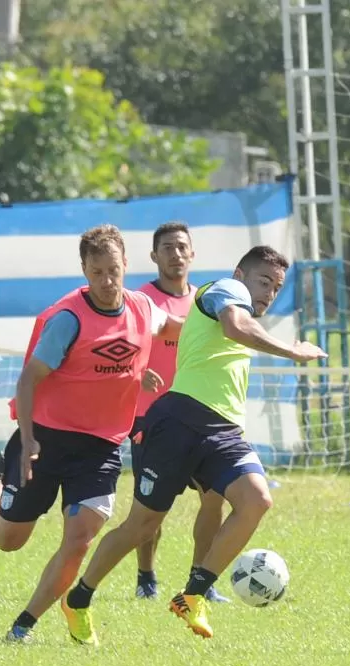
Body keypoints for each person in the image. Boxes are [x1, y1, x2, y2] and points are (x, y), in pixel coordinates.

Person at [61, 245, 327, 644]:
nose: (269, 293)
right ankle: (78, 598)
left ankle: (193, 594)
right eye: (263, 281)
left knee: (256, 500)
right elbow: (236, 326)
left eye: (276, 287)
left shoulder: (245, 311)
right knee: (142, 526)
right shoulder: (223, 290)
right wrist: (292, 350)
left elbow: (241, 332)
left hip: (223, 431)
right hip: (178, 421)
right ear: (240, 274)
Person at [0, 224, 183, 644]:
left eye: (114, 271)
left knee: (80, 539)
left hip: (101, 446)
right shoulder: (69, 321)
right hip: (46, 440)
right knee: (9, 540)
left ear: (126, 264)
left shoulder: (143, 307)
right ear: (85, 272)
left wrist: (224, 321)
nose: (107, 282)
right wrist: (29, 438)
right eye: (97, 273)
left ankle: (24, 625)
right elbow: (29, 380)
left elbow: (171, 328)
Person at [130, 221, 229, 605]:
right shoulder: (141, 300)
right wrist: (139, 374)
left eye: (182, 247)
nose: (176, 254)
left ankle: (200, 580)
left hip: (201, 416)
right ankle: (146, 575)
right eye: (167, 248)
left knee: (214, 497)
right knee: (151, 509)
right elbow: (127, 346)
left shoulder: (206, 301)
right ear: (155, 256)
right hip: (152, 418)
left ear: (193, 254)